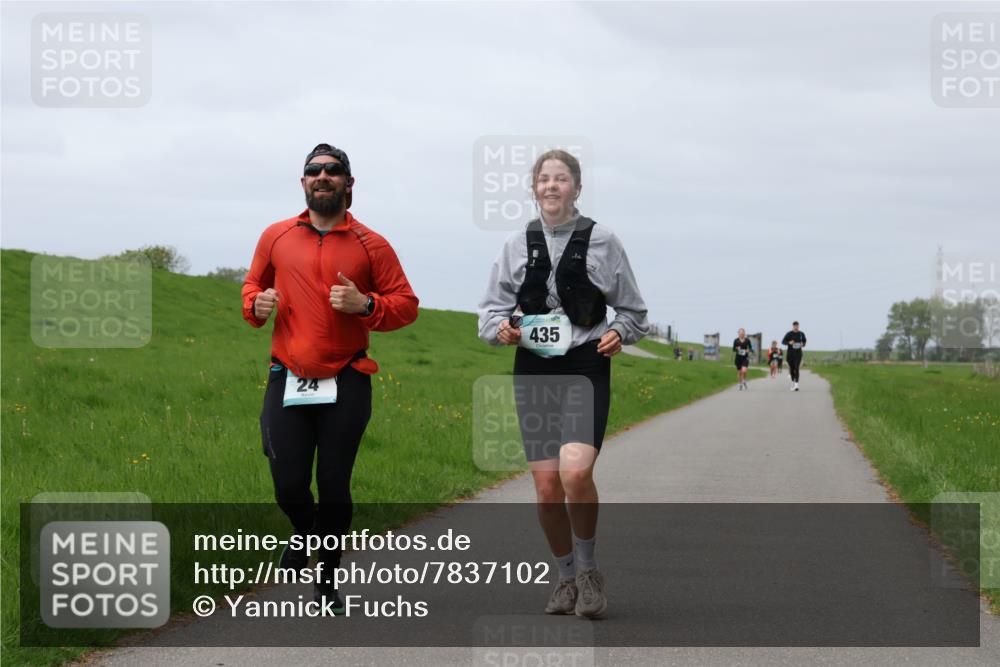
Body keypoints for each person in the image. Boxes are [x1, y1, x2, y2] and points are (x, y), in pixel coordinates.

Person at [242, 143, 419, 613]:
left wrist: (366, 305)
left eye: (332, 170)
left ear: (348, 183)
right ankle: (303, 533)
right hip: (288, 376)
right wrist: (254, 305)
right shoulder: (276, 236)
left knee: (334, 483)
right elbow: (252, 285)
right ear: (303, 183)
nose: (322, 176)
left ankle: (326, 578)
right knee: (287, 482)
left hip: (347, 378)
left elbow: (406, 305)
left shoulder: (371, 244)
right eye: (313, 171)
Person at [478, 149, 649, 619]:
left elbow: (634, 312)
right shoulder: (516, 245)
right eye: (544, 179)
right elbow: (490, 314)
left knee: (576, 473)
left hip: (585, 366)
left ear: (576, 187)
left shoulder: (604, 242)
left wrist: (619, 333)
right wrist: (503, 330)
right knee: (548, 487)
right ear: (533, 189)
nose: (551, 186)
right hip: (534, 367)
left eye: (561, 179)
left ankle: (591, 571)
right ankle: (566, 576)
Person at [781, 321, 807, 391]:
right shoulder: (789, 334)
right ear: (793, 326)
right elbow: (783, 342)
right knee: (792, 369)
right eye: (794, 326)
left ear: (798, 326)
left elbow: (804, 341)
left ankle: (796, 385)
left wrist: (803, 344)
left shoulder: (801, 334)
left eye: (797, 326)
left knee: (796, 368)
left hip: (798, 354)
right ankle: (793, 382)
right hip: (790, 354)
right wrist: (789, 342)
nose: (796, 327)